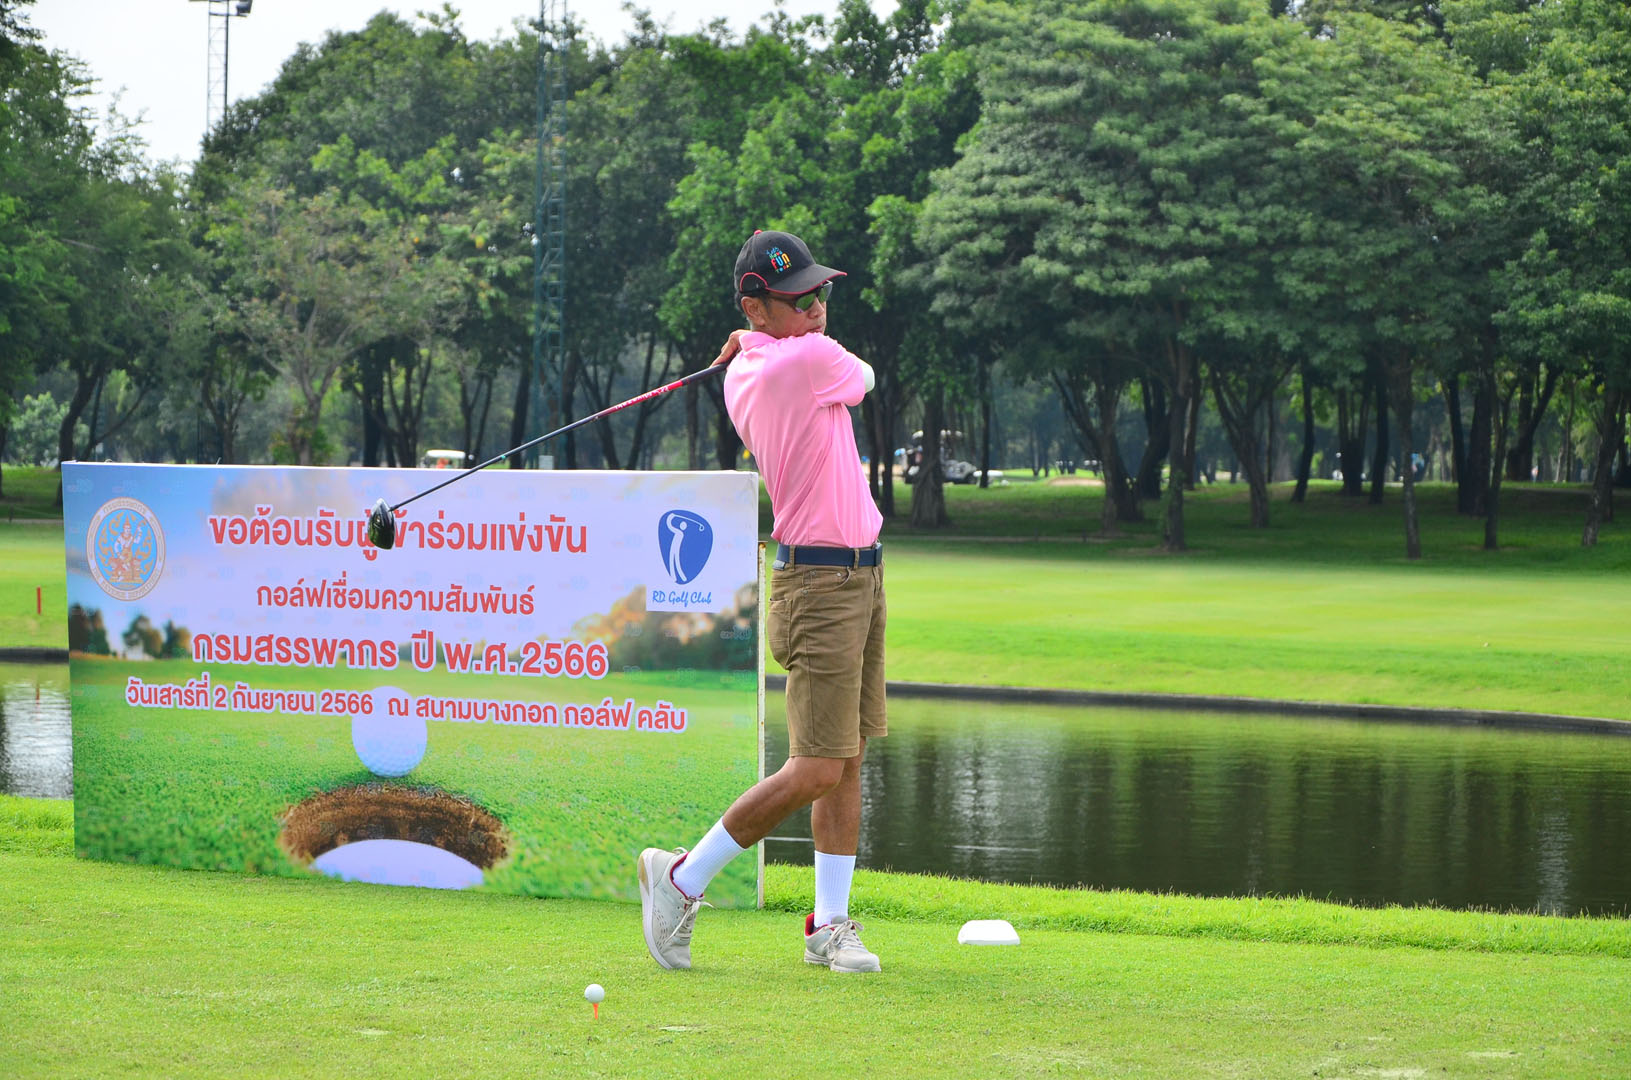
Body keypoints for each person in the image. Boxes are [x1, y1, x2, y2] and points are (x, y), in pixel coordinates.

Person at [638, 230, 886, 974]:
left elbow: (788, 354)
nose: (816, 308)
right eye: (797, 299)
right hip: (821, 585)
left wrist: (753, 338)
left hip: (859, 575)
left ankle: (828, 925)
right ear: (755, 305)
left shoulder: (752, 365)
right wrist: (763, 339)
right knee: (816, 767)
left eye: (820, 292)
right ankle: (682, 879)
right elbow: (866, 377)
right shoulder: (806, 360)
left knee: (847, 759)